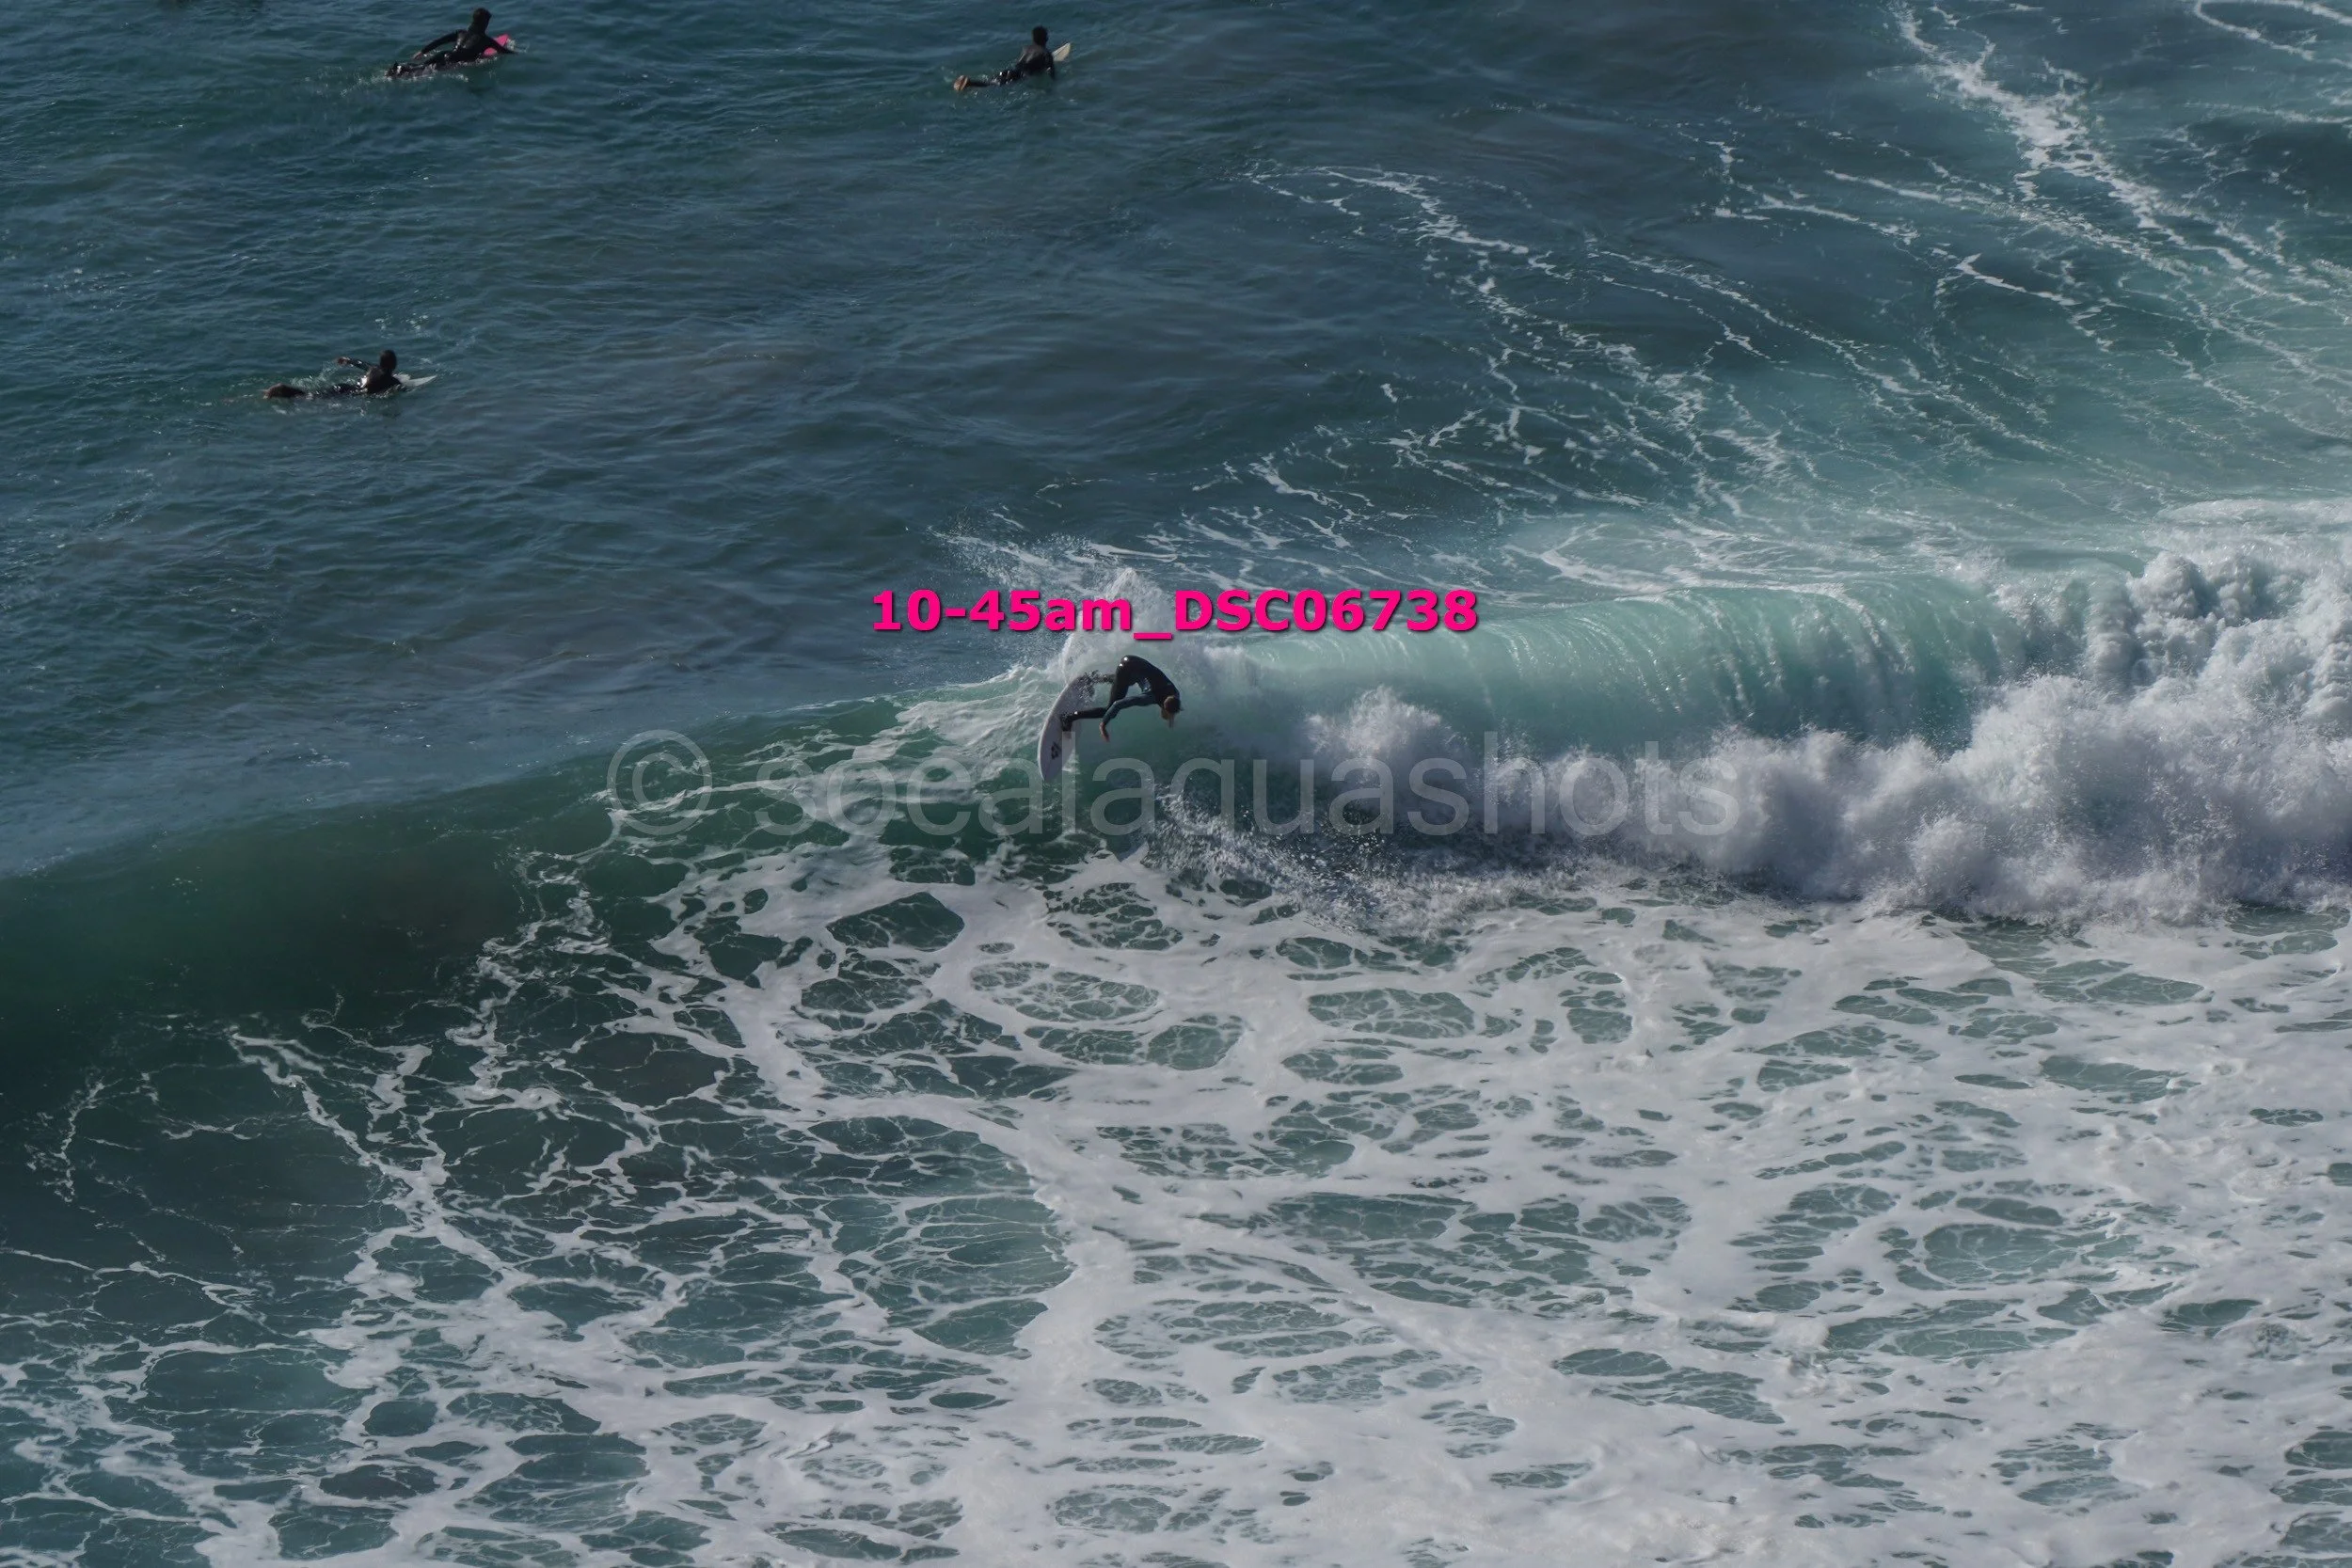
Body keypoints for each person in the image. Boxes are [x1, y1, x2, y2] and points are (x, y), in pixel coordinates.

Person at [1064, 656, 1181, 740]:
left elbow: (1172, 705)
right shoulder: (1149, 698)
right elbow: (1118, 704)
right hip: (1128, 668)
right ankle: (1068, 718)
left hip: (1135, 662)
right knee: (1109, 710)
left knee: (1127, 681)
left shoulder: (1175, 693)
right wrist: (1104, 724)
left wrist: (1171, 715)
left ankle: (1094, 678)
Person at [391, 9, 505, 76]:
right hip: (454, 62)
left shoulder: (460, 33)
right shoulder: (486, 40)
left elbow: (439, 41)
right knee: (423, 74)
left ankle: (399, 68)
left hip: (444, 54)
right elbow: (503, 51)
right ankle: (402, 71)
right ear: (484, 24)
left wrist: (422, 51)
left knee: (421, 66)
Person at [263, 350, 402, 400]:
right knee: (310, 397)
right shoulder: (392, 381)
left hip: (345, 386)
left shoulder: (374, 368)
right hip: (351, 394)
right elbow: (401, 389)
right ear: (393, 365)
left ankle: (283, 391)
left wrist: (347, 360)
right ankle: (284, 390)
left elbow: (361, 363)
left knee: (314, 394)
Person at [955, 26, 1056, 92]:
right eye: (1046, 36)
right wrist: (1052, 85)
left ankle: (970, 82)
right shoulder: (1046, 53)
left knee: (991, 81)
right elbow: (1052, 72)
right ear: (1044, 39)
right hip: (1020, 75)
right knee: (993, 85)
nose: (1047, 38)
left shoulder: (1026, 48)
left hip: (1011, 70)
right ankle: (969, 83)